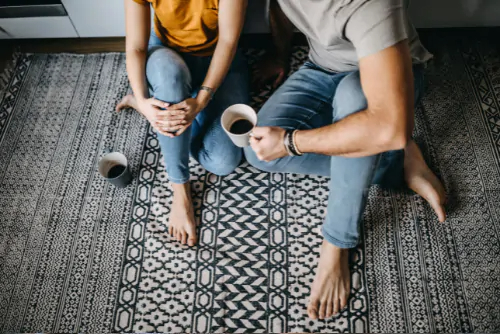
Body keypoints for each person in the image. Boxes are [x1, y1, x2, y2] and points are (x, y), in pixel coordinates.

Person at [246, 0, 447, 321]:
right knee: (257, 153)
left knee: (360, 104)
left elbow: (391, 126)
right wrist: (280, 54)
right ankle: (395, 161)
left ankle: (336, 243)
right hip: (320, 68)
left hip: (389, 81)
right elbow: (281, 8)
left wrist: (290, 142)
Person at [117, 0, 249, 247]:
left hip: (220, 56)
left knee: (223, 162)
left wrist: (201, 101)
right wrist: (144, 101)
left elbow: (228, 41)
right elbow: (136, 46)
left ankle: (181, 102)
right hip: (167, 56)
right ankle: (180, 190)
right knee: (171, 79)